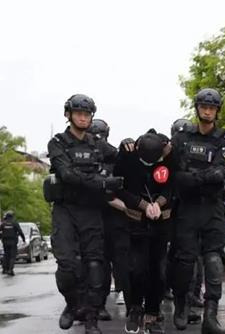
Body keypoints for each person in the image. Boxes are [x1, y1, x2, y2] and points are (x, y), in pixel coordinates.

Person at [45, 94, 121, 334]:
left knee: (95, 265)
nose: (82, 117)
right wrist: (101, 182)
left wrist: (135, 145)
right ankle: (71, 304)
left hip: (91, 211)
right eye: (78, 113)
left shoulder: (96, 143)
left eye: (87, 114)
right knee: (67, 265)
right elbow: (68, 175)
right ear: (68, 115)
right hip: (65, 210)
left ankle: (91, 319)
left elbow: (121, 157)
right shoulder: (58, 142)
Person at [170, 88, 225, 334]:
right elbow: (174, 174)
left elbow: (219, 173)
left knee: (214, 260)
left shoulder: (222, 138)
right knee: (185, 261)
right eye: (204, 107)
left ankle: (211, 316)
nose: (208, 111)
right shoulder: (183, 137)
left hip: (212, 207)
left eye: (212, 108)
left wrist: (191, 177)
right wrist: (197, 178)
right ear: (197, 109)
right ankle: (181, 306)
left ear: (217, 111)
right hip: (187, 208)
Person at [112, 130, 173, 334]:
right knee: (137, 269)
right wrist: (143, 204)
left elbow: (173, 187)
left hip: (160, 222)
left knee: (159, 271)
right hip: (136, 222)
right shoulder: (127, 156)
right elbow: (118, 188)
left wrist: (159, 203)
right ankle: (135, 308)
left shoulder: (168, 155)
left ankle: (153, 314)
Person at [87, 118, 129, 321]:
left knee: (121, 261)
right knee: (99, 263)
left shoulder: (116, 157)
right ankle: (99, 304)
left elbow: (128, 184)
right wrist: (108, 197)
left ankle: (127, 297)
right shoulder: (88, 158)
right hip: (96, 216)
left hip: (118, 219)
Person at [0, 211, 25, 276]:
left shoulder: (3, 224)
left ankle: (5, 269)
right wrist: (23, 239)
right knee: (12, 256)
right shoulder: (14, 223)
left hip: (5, 242)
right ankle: (10, 270)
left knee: (6, 255)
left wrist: (1, 237)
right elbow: (20, 231)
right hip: (13, 242)